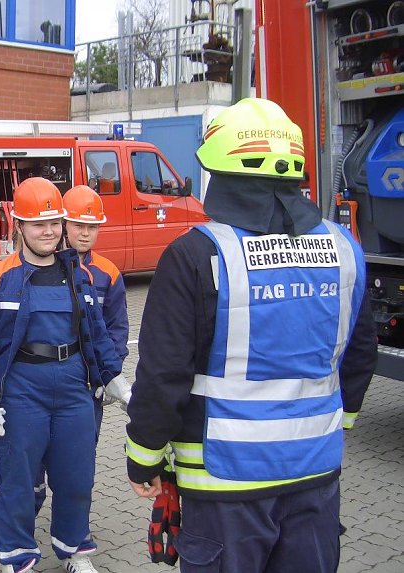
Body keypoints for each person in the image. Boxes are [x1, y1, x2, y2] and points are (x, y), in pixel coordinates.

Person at [124, 98, 378, 573]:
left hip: (224, 483)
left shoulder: (195, 254)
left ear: (220, 173)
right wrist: (331, 429)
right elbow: (361, 357)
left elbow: (164, 374)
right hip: (316, 473)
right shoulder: (346, 249)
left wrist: (144, 456)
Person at [0, 177, 125, 573]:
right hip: (22, 388)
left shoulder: (78, 275)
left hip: (73, 386)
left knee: (76, 475)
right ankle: (17, 557)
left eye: (53, 222)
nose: (48, 232)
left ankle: (74, 551)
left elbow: (97, 331)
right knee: (17, 479)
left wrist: (112, 376)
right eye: (38, 224)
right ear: (19, 226)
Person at [33, 184, 131, 514]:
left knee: (79, 464)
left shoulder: (108, 273)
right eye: (79, 226)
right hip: (39, 385)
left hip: (88, 387)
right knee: (31, 466)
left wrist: (108, 375)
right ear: (63, 224)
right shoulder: (42, 267)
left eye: (93, 227)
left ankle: (74, 537)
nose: (86, 234)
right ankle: (24, 529)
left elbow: (117, 330)